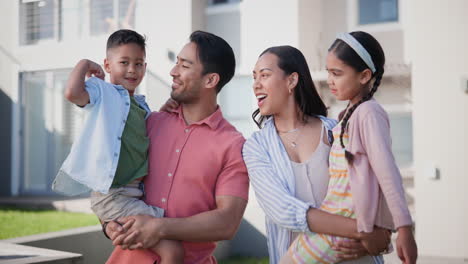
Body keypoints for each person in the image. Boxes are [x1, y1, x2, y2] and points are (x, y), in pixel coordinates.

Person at [103, 30, 250, 264]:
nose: (173, 71)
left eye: (184, 65)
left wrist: (159, 228)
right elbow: (114, 182)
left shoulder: (232, 145)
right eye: (176, 63)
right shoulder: (148, 123)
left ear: (210, 80)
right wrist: (108, 225)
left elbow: (228, 222)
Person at [242, 45, 391, 264]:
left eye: (264, 75)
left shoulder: (337, 130)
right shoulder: (257, 146)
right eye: (254, 77)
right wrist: (363, 231)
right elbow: (282, 210)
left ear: (291, 81)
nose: (256, 84)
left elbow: (377, 188)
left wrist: (382, 236)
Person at [281, 32, 418, 264]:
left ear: (364, 75)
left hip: (344, 222)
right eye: (328, 72)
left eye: (337, 73)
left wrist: (404, 229)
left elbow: (387, 173)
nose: (330, 80)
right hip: (334, 220)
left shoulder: (369, 113)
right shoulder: (347, 116)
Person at [52, 29, 183, 264]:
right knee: (172, 250)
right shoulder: (103, 93)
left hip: (134, 194)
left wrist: (164, 110)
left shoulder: (141, 106)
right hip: (113, 196)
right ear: (108, 64)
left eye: (139, 63)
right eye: (124, 62)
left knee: (162, 244)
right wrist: (84, 64)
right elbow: (72, 92)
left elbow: (144, 131)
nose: (132, 69)